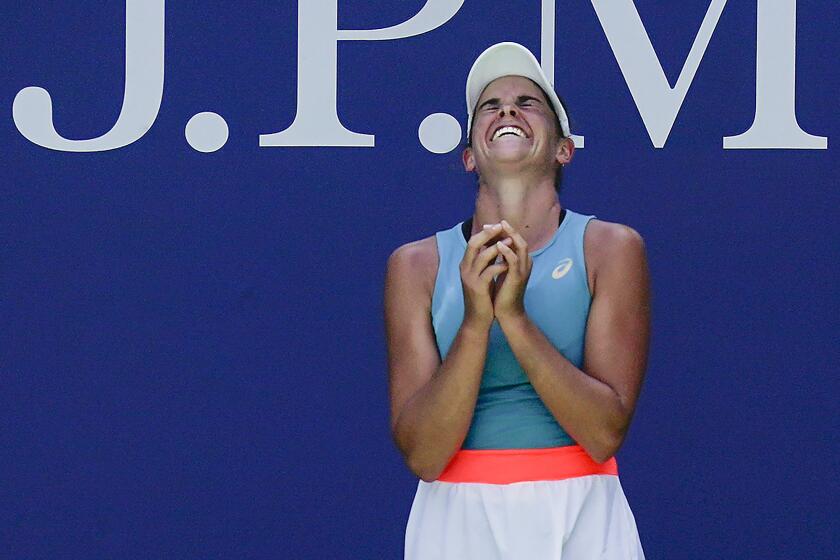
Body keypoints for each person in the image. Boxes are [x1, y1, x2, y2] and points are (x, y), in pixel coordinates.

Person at [384, 42, 650, 559]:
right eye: (490, 105)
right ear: (468, 157)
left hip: (584, 515)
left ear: (563, 148)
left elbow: (603, 434)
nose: (507, 110)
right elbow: (424, 454)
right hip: (455, 521)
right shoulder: (415, 266)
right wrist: (475, 324)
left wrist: (514, 318)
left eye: (528, 103)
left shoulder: (611, 249)